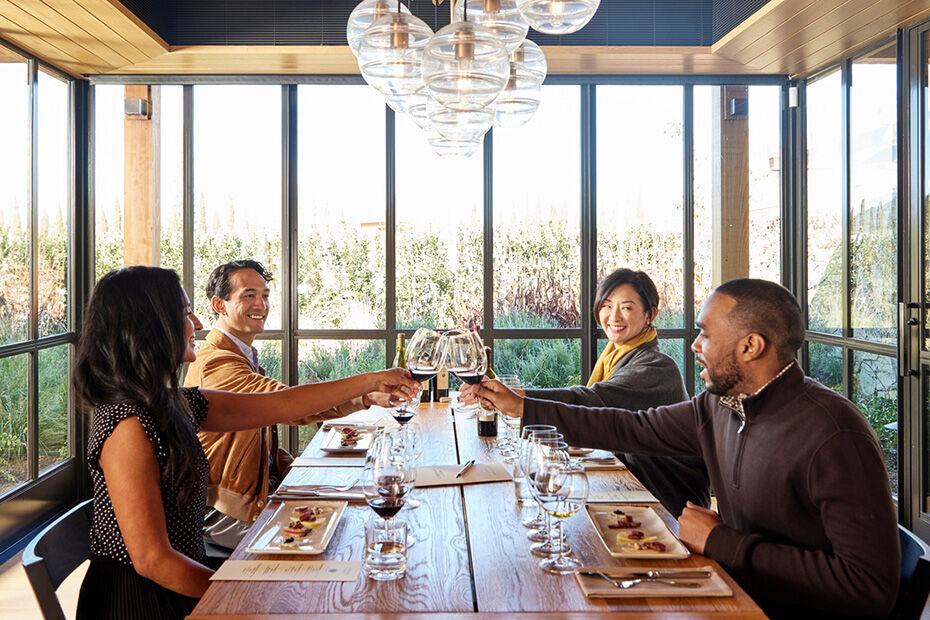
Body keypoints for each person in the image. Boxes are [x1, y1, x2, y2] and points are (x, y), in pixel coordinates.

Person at [476, 278, 899, 618]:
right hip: (731, 590)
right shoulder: (719, 406)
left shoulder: (835, 435)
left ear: (750, 346)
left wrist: (721, 542)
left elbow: (869, 588)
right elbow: (629, 427)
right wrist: (525, 407)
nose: (695, 345)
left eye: (705, 334)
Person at [73, 266, 418, 619]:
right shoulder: (126, 424)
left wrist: (371, 381)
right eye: (182, 312)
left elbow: (282, 404)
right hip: (143, 601)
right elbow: (152, 561)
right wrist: (247, 599)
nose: (196, 321)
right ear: (148, 327)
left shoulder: (177, 402)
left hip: (182, 577)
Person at [460, 267, 709, 516]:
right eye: (607, 305)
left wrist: (518, 400)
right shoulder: (617, 355)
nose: (614, 316)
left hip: (670, 503)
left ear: (650, 314)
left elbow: (592, 401)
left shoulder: (657, 368)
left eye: (627, 307)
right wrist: (511, 396)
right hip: (631, 487)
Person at [184, 260, 392, 549]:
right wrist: (368, 385)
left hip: (252, 497)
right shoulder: (217, 361)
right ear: (220, 305)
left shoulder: (240, 353)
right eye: (249, 295)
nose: (261, 304)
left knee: (352, 509)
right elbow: (287, 405)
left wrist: (366, 398)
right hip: (225, 512)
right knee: (341, 541)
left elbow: (257, 445)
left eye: (265, 295)